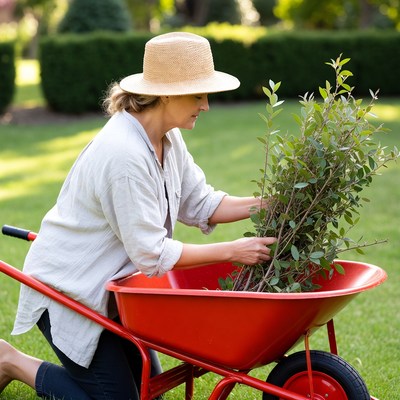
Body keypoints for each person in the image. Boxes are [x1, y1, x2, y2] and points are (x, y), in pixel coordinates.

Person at [0, 32, 275, 399]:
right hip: (71, 292)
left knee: (149, 391)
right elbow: (152, 254)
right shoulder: (123, 155)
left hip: (118, 291)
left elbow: (201, 203)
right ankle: (10, 361)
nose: (206, 105)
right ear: (165, 94)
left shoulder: (168, 138)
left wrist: (268, 203)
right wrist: (232, 251)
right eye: (198, 94)